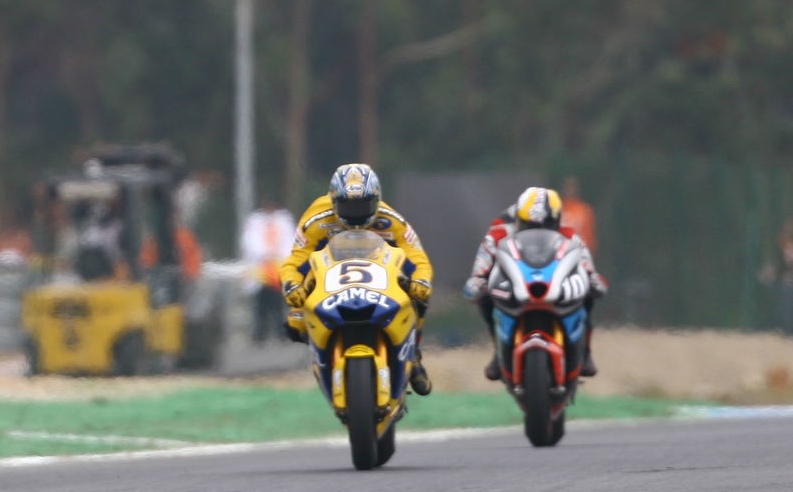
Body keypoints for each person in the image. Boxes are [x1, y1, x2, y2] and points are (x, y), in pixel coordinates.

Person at [278, 163, 434, 395]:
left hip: (380, 276)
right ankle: (324, 353)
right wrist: (292, 286)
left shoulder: (392, 220)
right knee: (295, 322)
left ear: (377, 200)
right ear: (333, 201)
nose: (357, 213)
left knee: (418, 298)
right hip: (330, 276)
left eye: (363, 205)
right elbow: (295, 260)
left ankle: (414, 352)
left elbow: (417, 257)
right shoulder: (315, 220)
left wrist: (421, 281)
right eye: (348, 206)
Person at [464, 187, 606, 380]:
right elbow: (482, 261)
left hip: (554, 286)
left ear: (556, 219)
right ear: (519, 218)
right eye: (529, 225)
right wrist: (478, 280)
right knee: (486, 298)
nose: (539, 229)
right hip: (515, 287)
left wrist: (592, 278)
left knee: (587, 295)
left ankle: (586, 353)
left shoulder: (569, 235)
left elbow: (585, 262)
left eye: (547, 224)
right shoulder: (498, 232)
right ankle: (498, 352)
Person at [240, 201, 296, 342]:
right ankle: (259, 334)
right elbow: (249, 242)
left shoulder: (284, 220)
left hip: (278, 265)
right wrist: (265, 253)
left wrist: (278, 254)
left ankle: (280, 333)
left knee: (278, 303)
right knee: (260, 303)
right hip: (260, 266)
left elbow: (290, 240)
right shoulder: (254, 221)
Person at [558, 176, 597, 255]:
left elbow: (589, 236)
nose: (569, 189)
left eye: (572, 186)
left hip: (578, 253)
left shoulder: (584, 210)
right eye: (567, 186)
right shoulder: (557, 209)